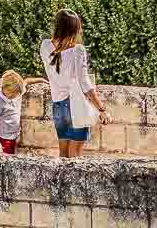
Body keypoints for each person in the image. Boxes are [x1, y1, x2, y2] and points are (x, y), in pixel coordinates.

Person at [40, 10, 111, 158]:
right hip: (76, 105)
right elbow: (84, 83)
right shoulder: (77, 50)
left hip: (58, 106)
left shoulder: (45, 46)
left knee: (63, 156)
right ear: (74, 29)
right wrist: (102, 109)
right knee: (75, 158)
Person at [0, 70, 47, 154]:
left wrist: (41, 79)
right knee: (6, 158)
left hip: (16, 134)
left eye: (16, 94)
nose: (15, 96)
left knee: (14, 154)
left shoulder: (17, 91)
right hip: (4, 138)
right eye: (12, 94)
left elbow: (26, 81)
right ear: (5, 88)